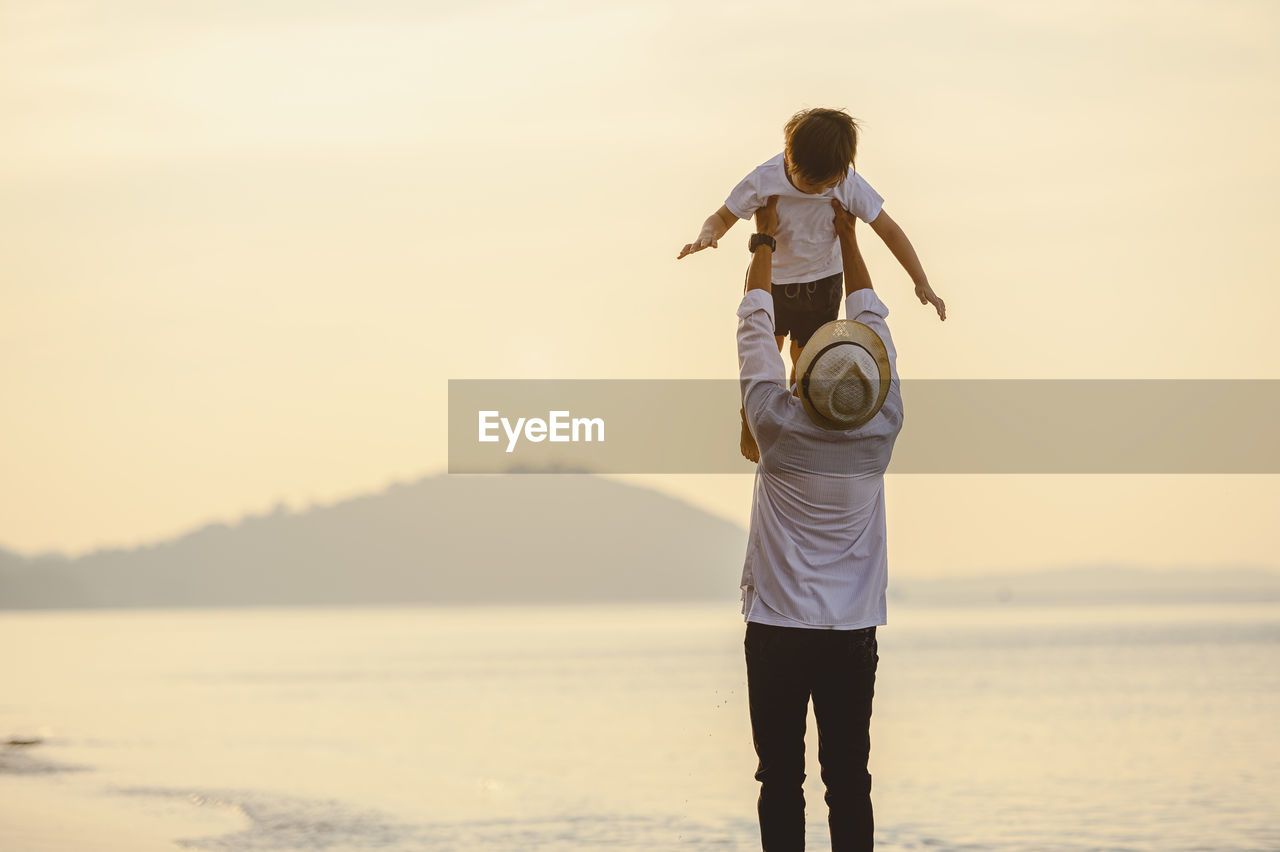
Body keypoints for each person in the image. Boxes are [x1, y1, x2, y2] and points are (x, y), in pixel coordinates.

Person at [736, 193, 904, 851]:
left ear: (801, 377)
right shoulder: (883, 426)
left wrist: (764, 242)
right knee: (849, 780)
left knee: (780, 777)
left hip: (777, 631)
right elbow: (872, 313)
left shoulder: (774, 424)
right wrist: (851, 239)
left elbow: (754, 326)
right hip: (850, 632)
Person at [678, 107, 937, 463]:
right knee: (764, 354)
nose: (822, 190)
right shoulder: (765, 178)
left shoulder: (846, 183)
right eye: (813, 184)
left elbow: (888, 229)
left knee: (809, 368)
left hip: (822, 285)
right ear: (790, 159)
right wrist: (707, 235)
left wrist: (920, 281)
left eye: (829, 183)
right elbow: (723, 215)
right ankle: (750, 414)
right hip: (774, 284)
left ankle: (798, 432)